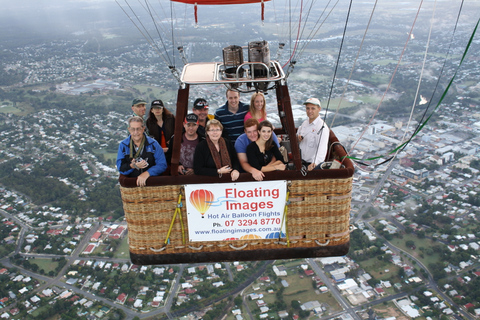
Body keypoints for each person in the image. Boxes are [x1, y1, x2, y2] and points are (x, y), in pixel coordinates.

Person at [116, 116, 167, 187]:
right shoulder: (123, 145)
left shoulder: (153, 144)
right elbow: (121, 168)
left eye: (138, 129)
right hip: (133, 186)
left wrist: (147, 173)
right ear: (129, 130)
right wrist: (133, 166)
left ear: (143, 129)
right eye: (133, 129)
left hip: (152, 185)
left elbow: (162, 165)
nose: (136, 132)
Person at [297, 98, 330, 171]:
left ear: (319, 109)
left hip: (311, 165)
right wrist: (298, 138)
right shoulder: (305, 123)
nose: (310, 111)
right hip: (301, 162)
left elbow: (322, 149)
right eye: (307, 108)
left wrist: (314, 164)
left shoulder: (322, 127)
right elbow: (298, 134)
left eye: (313, 108)